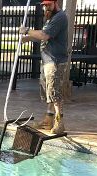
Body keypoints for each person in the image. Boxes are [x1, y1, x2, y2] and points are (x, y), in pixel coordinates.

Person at [20, 0, 69, 134]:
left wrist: (27, 30)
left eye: (48, 5)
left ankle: (59, 123)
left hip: (55, 61)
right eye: (44, 5)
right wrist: (28, 38)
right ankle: (48, 120)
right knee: (48, 92)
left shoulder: (59, 17)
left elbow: (44, 35)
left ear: (55, 3)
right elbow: (44, 36)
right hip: (48, 60)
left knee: (54, 92)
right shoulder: (51, 17)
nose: (46, 7)